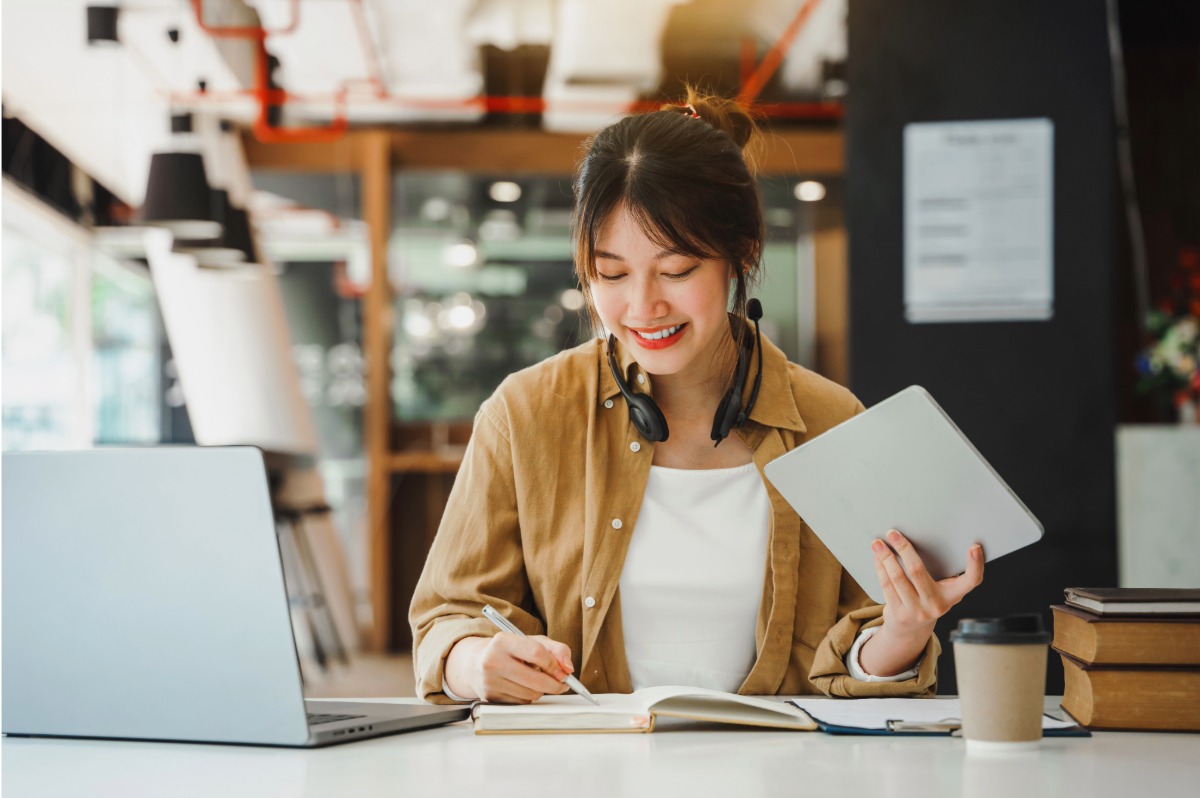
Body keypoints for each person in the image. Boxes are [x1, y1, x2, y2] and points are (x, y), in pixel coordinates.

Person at [410, 90, 984, 704]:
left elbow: (860, 649)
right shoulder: (524, 415)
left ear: (741, 256)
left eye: (677, 269)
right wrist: (471, 662)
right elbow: (447, 616)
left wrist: (903, 629)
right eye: (612, 274)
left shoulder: (832, 421)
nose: (642, 307)